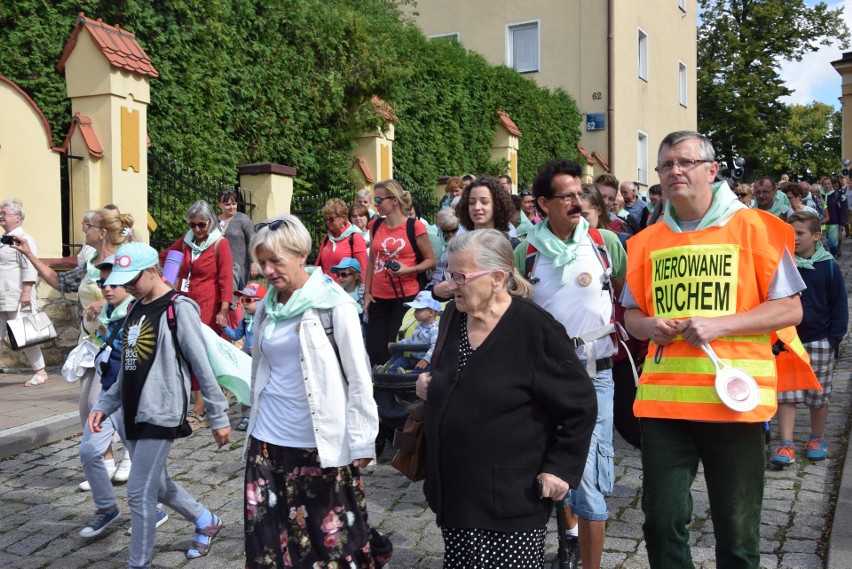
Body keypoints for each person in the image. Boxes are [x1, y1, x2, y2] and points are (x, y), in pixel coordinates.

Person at [622, 131, 807, 568]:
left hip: (735, 403)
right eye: (666, 165)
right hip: (665, 407)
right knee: (661, 521)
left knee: (737, 527)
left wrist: (718, 325)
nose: (674, 171)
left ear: (712, 169)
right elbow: (631, 316)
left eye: (684, 162)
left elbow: (791, 309)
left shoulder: (757, 228)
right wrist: (649, 326)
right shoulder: (646, 241)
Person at [416, 229, 597, 568]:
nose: (451, 284)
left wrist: (559, 469)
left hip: (510, 497)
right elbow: (456, 375)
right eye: (448, 275)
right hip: (456, 492)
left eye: (461, 276)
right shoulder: (455, 317)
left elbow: (580, 404)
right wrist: (429, 384)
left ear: (497, 277)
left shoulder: (534, 328)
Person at [243, 215, 381, 568]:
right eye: (262, 262)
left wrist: (362, 439)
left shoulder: (332, 304)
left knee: (328, 544)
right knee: (268, 542)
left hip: (318, 444)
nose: (269, 270)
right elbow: (263, 367)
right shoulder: (268, 308)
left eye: (276, 261)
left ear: (300, 254)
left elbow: (359, 376)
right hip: (267, 441)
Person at [88, 242, 231, 568]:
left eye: (132, 279)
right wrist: (105, 403)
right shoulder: (136, 308)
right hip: (131, 411)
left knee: (139, 493)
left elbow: (202, 365)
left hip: (161, 412)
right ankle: (206, 519)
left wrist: (218, 415)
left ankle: (138, 564)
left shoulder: (179, 308)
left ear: (152, 270)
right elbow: (128, 366)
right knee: (159, 484)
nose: (126, 286)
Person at [515, 161, 627, 569]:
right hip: (541, 379)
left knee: (590, 480)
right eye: (568, 195)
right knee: (547, 468)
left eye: (581, 193)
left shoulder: (603, 243)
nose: (578, 201)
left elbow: (621, 296)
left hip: (594, 375)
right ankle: (568, 546)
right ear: (544, 203)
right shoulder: (525, 252)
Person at [12, 207, 135, 486]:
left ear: (102, 232)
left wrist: (105, 302)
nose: (83, 229)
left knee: (99, 402)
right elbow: (61, 282)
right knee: (85, 406)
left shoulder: (124, 259)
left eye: (88, 225)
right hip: (91, 343)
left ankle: (127, 456)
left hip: (118, 342)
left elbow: (140, 291)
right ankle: (106, 463)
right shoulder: (92, 260)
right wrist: (29, 255)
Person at [78, 255, 171, 539]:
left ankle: (159, 509)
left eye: (114, 283)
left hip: (136, 395)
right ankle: (106, 507)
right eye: (103, 283)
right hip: (110, 390)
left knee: (143, 464)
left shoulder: (139, 309)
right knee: (89, 450)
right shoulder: (106, 310)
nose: (107, 288)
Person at [770, 212, 847, 467]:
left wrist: (833, 339)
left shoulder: (828, 267)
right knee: (786, 394)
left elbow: (838, 306)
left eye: (800, 234)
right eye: (790, 234)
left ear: (816, 236)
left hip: (819, 341)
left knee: (818, 394)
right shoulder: (782, 265)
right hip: (788, 342)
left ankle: (817, 438)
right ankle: (786, 443)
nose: (794, 239)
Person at [159, 200, 234, 430]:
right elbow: (165, 256)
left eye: (201, 225)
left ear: (210, 222)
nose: (197, 230)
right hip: (186, 303)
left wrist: (223, 309)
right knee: (189, 353)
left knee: (201, 354)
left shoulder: (220, 244)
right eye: (192, 225)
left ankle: (200, 409)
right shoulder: (187, 241)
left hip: (209, 306)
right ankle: (211, 399)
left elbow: (225, 278)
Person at [364, 179, 436, 366]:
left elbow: (431, 261)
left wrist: (408, 270)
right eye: (375, 200)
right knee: (374, 349)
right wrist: (367, 292)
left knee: (396, 347)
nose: (375, 204)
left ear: (394, 200)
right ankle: (379, 388)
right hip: (378, 297)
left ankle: (396, 389)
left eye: (379, 200)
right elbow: (372, 260)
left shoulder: (415, 226)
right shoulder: (375, 225)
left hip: (406, 297)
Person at [0, 199, 49, 386]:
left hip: (18, 294)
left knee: (25, 334)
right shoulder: (3, 239)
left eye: (4, 213)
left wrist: (27, 291)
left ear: (17, 217)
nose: (1, 216)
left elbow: (30, 265)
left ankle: (41, 372)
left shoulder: (24, 239)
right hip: (2, 293)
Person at [222, 282, 267, 432]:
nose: (244, 304)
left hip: (263, 360)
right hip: (247, 359)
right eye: (242, 300)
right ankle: (246, 416)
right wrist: (224, 327)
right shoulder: (246, 319)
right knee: (247, 387)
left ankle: (263, 415)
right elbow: (236, 335)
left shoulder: (267, 319)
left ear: (262, 301)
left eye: (248, 300)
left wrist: (260, 347)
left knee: (263, 387)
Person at [380, 291, 440, 373]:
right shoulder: (419, 326)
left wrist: (425, 360)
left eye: (419, 310)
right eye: (415, 309)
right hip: (413, 358)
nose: (415, 312)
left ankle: (402, 377)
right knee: (399, 361)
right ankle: (389, 372)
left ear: (431, 312)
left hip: (427, 362)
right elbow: (411, 340)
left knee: (418, 372)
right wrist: (398, 344)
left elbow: (435, 347)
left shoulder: (435, 329)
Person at [315, 198, 368, 278]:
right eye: (326, 219)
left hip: (346, 289)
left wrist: (362, 289)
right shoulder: (327, 239)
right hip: (326, 288)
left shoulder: (355, 238)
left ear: (343, 218)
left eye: (331, 219)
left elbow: (363, 269)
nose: (328, 222)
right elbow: (319, 266)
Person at [217, 190, 257, 289]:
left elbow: (253, 241)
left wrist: (254, 262)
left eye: (234, 204)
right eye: (227, 204)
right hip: (218, 266)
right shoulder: (214, 221)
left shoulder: (243, 219)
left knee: (237, 297)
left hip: (238, 268)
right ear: (219, 204)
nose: (232, 207)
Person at [428, 209, 460, 288]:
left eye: (454, 230)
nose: (450, 234)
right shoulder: (433, 234)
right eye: (446, 231)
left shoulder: (461, 237)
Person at [821, 176, 848, 257]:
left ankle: (834, 253)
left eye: (829, 184)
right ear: (822, 185)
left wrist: (842, 223)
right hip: (822, 223)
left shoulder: (838, 195)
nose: (827, 185)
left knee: (833, 244)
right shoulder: (819, 195)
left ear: (831, 185)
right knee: (823, 243)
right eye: (825, 184)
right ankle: (827, 258)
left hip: (834, 222)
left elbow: (842, 210)